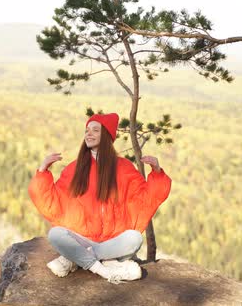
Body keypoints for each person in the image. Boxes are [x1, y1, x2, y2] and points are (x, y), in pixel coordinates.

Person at [28, 112, 172, 284]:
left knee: (134, 238)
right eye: (87, 130)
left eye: (95, 130)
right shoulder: (75, 168)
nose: (89, 134)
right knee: (56, 234)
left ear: (107, 136)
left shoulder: (124, 168)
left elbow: (146, 198)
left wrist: (156, 172)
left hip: (112, 240)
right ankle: (106, 269)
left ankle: (76, 259)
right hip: (82, 237)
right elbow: (51, 202)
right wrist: (43, 171)